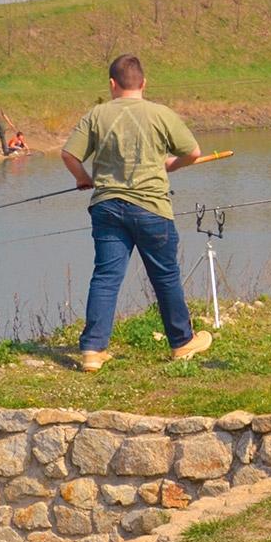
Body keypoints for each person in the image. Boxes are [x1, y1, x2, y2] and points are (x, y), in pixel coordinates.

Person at [61, 54, 212, 372]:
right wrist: (171, 165)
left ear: (112, 84)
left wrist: (83, 178)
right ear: (143, 83)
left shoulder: (97, 114)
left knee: (106, 277)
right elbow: (193, 152)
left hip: (106, 207)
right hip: (152, 208)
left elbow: (69, 155)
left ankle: (92, 350)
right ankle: (181, 342)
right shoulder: (161, 114)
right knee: (165, 276)